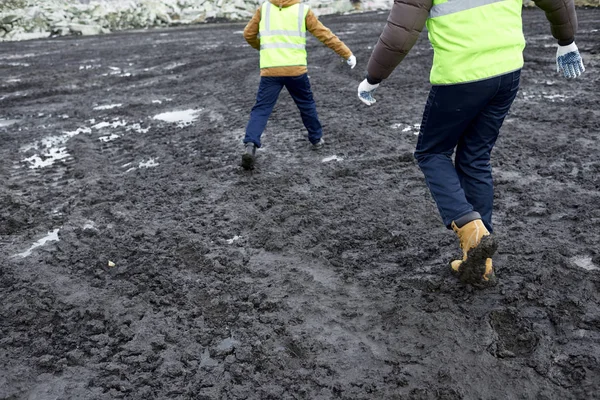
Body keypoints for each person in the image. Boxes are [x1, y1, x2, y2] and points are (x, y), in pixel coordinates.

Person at [357, 0, 585, 287]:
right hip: (507, 73)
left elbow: (400, 33)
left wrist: (373, 78)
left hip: (460, 78)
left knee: (431, 152)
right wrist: (566, 41)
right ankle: (479, 260)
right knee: (475, 157)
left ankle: (468, 227)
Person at [241, 0, 356, 170]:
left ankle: (250, 145)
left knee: (261, 109)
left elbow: (248, 34)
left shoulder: (264, 9)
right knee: (306, 104)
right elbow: (324, 35)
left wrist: (262, 48)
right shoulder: (302, 10)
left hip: (270, 70)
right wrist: (347, 54)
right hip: (296, 70)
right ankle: (316, 139)